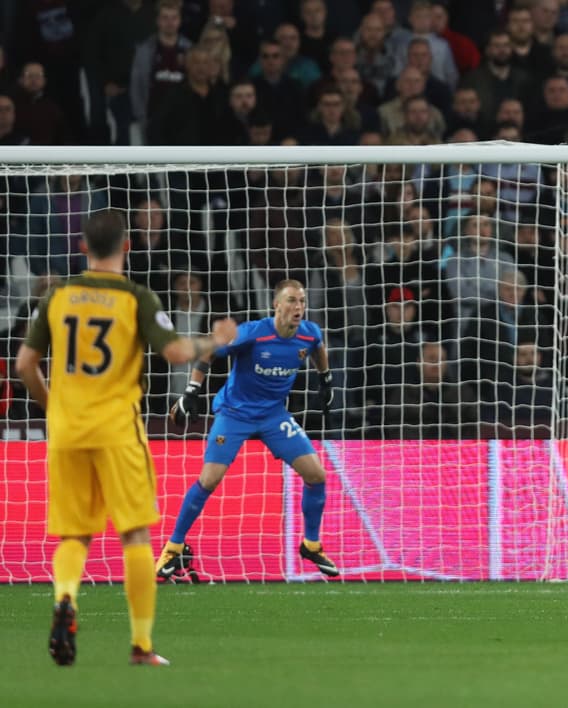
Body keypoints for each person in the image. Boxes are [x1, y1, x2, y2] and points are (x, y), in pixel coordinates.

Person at [15, 210, 238, 666]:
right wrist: (211, 341)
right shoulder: (135, 297)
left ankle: (65, 597)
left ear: (82, 247)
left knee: (74, 536)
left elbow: (23, 365)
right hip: (118, 427)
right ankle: (140, 645)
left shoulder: (58, 295)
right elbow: (176, 351)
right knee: (135, 534)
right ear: (128, 247)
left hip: (68, 428)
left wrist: (53, 405)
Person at [160, 280, 340, 581]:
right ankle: (173, 547)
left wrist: (326, 380)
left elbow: (318, 349)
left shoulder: (309, 333)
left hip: (273, 415)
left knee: (316, 475)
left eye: (302, 302)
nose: (299, 308)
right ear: (277, 305)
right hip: (235, 413)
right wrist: (192, 391)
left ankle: (311, 544)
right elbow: (210, 349)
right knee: (209, 479)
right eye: (292, 301)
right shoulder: (253, 334)